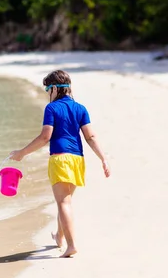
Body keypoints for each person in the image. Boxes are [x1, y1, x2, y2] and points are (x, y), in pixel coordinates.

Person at [9, 70, 110, 258]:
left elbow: (45, 137)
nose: (48, 93)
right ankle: (59, 237)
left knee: (63, 202)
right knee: (66, 201)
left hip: (60, 159)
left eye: (48, 89)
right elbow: (91, 136)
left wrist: (21, 153)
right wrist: (103, 158)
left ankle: (71, 245)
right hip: (77, 160)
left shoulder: (52, 109)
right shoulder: (80, 108)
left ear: (54, 88)